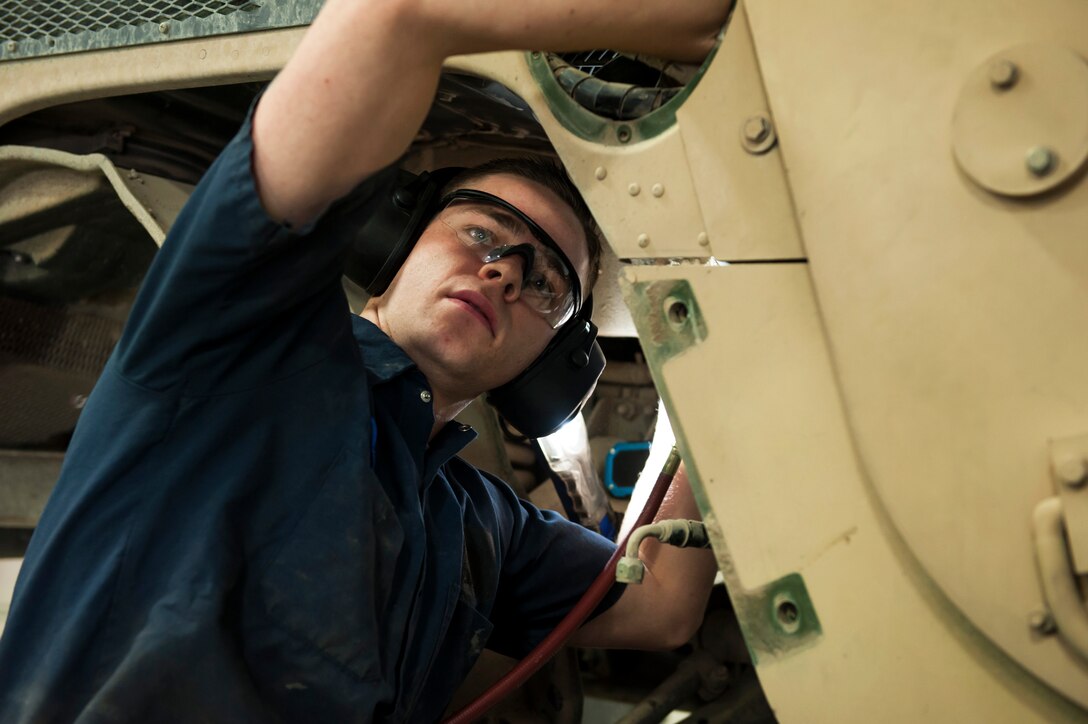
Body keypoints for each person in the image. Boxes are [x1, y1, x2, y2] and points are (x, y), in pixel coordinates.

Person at [0, 0, 727, 720]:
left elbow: (660, 606)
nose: (506, 271)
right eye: (481, 232)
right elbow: (390, 14)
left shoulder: (482, 525)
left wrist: (706, 370)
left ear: (550, 364)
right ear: (398, 247)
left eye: (545, 283)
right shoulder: (240, 343)